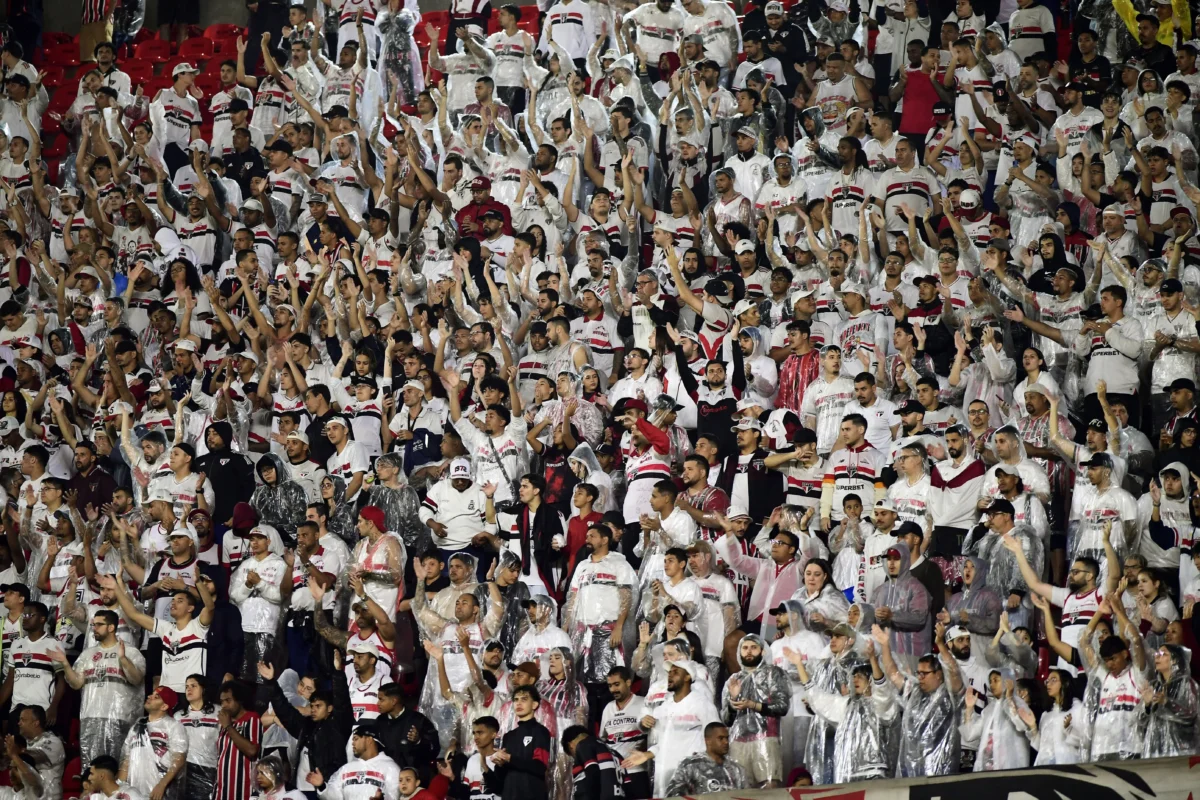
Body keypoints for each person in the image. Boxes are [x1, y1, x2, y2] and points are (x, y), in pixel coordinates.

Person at [120, 686, 189, 800]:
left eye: (156, 697)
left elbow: (179, 759)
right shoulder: (137, 726)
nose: (149, 696)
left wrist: (162, 785)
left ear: (164, 706)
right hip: (134, 790)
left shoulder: (174, 726)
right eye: (151, 694)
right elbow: (126, 761)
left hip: (160, 790)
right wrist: (120, 787)